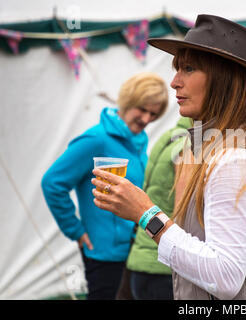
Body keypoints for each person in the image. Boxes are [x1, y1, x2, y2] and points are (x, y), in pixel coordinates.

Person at [91, 14, 246, 300]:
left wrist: (146, 214)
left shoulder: (237, 159)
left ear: (224, 79)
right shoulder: (238, 143)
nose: (174, 82)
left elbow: (225, 275)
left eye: (188, 69)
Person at [41, 72, 168, 300]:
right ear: (128, 101)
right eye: (143, 109)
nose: (147, 118)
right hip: (103, 253)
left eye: (153, 113)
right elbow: (52, 183)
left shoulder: (138, 140)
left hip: (131, 248)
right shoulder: (96, 139)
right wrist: (76, 231)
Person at [115, 117, 192, 300]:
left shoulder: (168, 138)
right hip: (163, 269)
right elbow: (185, 219)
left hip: (140, 260)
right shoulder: (187, 150)